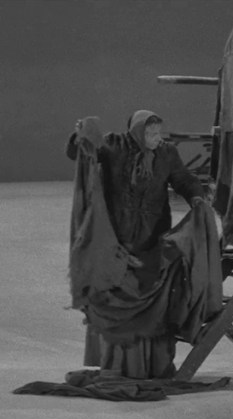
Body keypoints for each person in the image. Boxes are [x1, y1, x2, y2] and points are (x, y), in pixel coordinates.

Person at [65, 110, 212, 379]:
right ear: (137, 132)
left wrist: (196, 197)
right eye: (151, 133)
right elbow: (84, 155)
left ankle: (152, 366)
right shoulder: (115, 145)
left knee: (153, 302)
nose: (157, 138)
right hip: (118, 243)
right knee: (118, 303)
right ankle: (118, 366)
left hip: (152, 239)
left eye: (158, 133)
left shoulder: (166, 153)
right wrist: (80, 137)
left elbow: (182, 178)